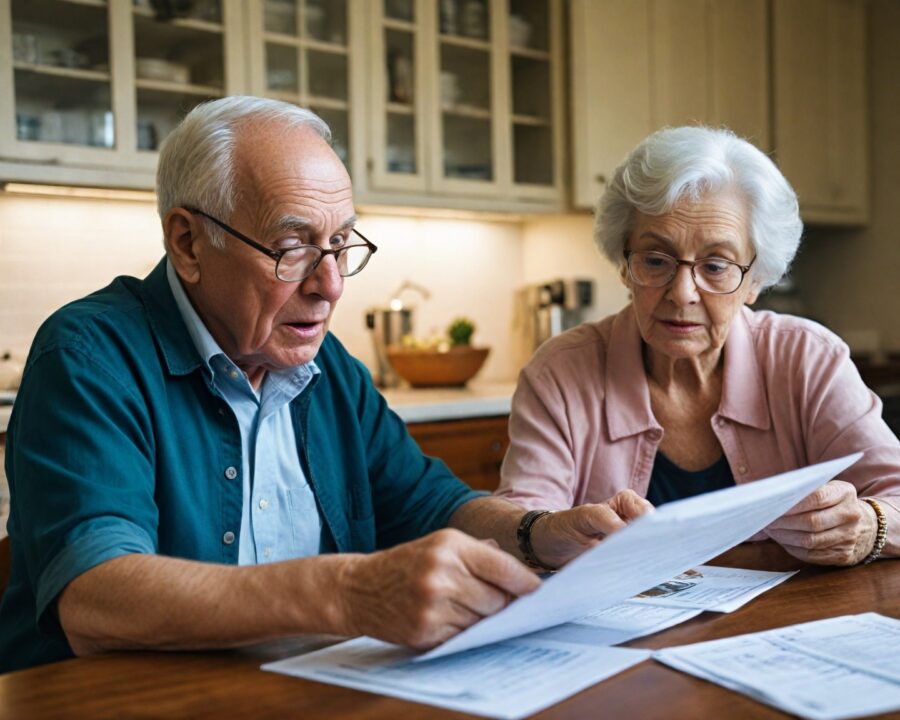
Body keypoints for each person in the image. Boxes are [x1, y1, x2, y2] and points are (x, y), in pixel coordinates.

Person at [0, 97, 652, 673]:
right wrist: (346, 593)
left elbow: (427, 503)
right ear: (189, 243)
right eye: (292, 247)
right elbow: (94, 597)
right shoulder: (90, 356)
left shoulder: (327, 365)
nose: (331, 284)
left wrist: (538, 532)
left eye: (340, 243)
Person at [496, 126, 899, 568]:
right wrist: (541, 534)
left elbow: (894, 494)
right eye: (656, 260)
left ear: (755, 280)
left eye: (716, 266)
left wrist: (869, 525)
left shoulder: (807, 359)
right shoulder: (560, 371)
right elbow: (519, 523)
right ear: (624, 267)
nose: (682, 293)